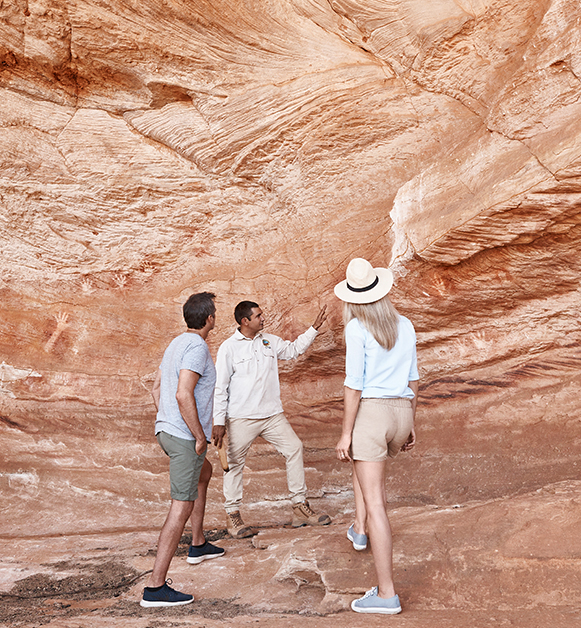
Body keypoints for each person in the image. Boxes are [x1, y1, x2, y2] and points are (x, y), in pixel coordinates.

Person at [333, 258, 418, 615]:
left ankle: (386, 595)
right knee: (363, 471)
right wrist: (411, 422)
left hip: (373, 411)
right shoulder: (405, 324)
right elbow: (413, 379)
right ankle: (359, 528)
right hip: (401, 411)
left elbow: (354, 386)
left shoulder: (357, 328)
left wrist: (346, 432)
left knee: (377, 501)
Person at [212, 300, 332, 538]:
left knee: (294, 448)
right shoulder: (229, 348)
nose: (262, 319)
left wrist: (314, 329)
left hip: (272, 415)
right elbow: (220, 386)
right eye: (258, 316)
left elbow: (293, 350)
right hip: (241, 417)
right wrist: (218, 422)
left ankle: (300, 508)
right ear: (245, 321)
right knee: (234, 465)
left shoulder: (269, 340)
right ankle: (233, 516)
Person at [141, 292, 226, 608]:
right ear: (209, 319)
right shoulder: (197, 348)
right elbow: (182, 394)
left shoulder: (176, 344)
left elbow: (156, 388)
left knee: (205, 472)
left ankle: (198, 543)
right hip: (184, 437)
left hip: (168, 432)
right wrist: (198, 436)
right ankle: (155, 587)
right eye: (214, 314)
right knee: (180, 507)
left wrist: (166, 423)